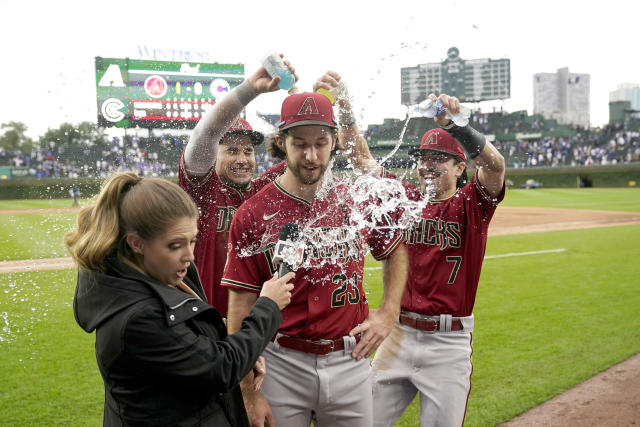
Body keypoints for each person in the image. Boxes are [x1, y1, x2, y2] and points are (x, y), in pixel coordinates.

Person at [221, 87, 409, 427]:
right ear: (281, 141)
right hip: (282, 363)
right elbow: (240, 305)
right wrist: (248, 392)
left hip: (350, 359)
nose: (311, 155)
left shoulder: (355, 199)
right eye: (300, 144)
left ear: (335, 141)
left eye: (320, 143)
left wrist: (388, 313)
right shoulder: (254, 212)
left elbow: (395, 253)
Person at [64, 171, 295, 426]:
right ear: (136, 244)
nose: (189, 256)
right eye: (175, 245)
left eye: (192, 241)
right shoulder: (136, 317)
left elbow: (195, 349)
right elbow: (222, 367)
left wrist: (242, 348)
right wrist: (268, 306)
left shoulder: (164, 272)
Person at [344, 93, 506, 426]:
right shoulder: (404, 197)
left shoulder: (471, 204)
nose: (427, 165)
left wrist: (454, 125)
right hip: (398, 334)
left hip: (448, 344)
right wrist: (346, 107)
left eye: (438, 159)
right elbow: (360, 158)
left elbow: (495, 166)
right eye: (423, 157)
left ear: (460, 167)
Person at [179, 56, 296, 317]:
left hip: (258, 326)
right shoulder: (202, 192)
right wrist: (250, 89)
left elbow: (308, 156)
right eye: (231, 150)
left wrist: (322, 102)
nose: (242, 159)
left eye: (247, 151)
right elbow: (206, 134)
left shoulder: (263, 190)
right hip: (208, 324)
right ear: (214, 155)